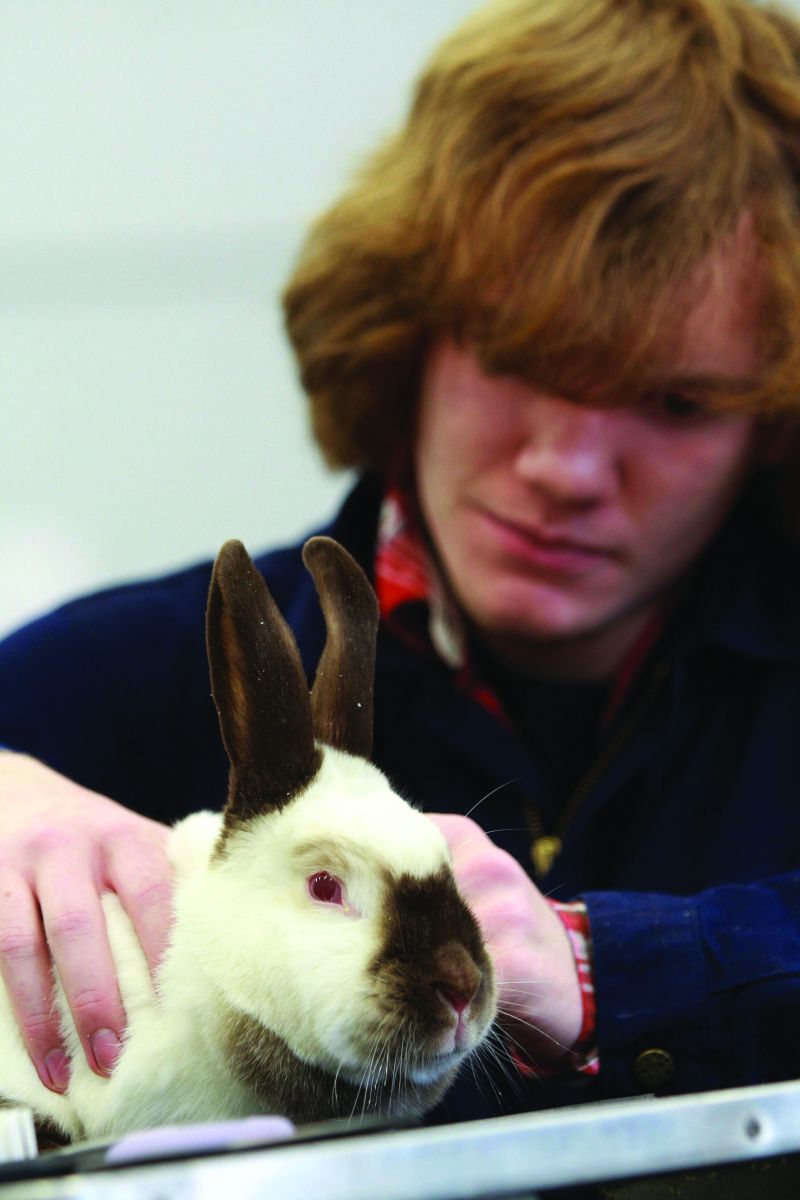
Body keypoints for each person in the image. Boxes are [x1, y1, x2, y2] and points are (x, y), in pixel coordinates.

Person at [3, 0, 800, 1121]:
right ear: (407, 328)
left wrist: (601, 967)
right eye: (516, 358)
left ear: (771, 419)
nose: (565, 464)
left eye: (672, 401)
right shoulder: (135, 670)